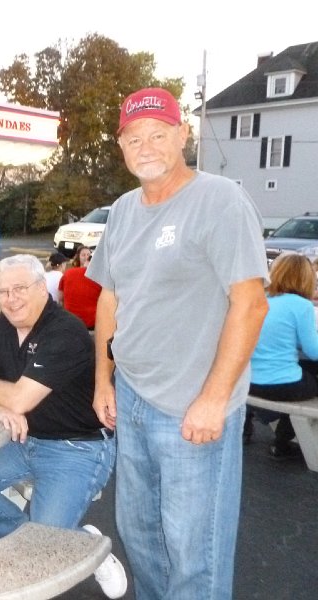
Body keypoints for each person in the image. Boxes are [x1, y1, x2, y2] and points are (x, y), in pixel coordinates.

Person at [87, 87, 269, 599]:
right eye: (134, 138)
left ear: (183, 135)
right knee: (142, 539)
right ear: (121, 147)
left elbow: (251, 304)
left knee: (194, 555)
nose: (145, 147)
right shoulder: (122, 211)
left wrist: (213, 399)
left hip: (193, 407)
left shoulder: (219, 200)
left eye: (158, 134)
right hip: (133, 399)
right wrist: (103, 380)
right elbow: (109, 299)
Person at [0, 254, 126, 599]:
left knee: (43, 545)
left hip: (77, 447)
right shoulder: (4, 326)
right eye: (3, 291)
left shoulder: (65, 331)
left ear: (43, 287)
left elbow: (8, 394)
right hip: (26, 439)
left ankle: (83, 548)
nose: (11, 299)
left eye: (20, 288)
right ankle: (70, 542)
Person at [247, 253, 318, 459]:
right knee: (309, 378)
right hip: (281, 386)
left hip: (251, 381)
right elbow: (314, 351)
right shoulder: (301, 305)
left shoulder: (261, 300)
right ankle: (282, 443)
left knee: (305, 371)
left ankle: (252, 429)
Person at [58, 245, 101, 329]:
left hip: (71, 321)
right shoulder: (99, 277)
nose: (86, 257)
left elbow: (60, 298)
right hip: (91, 322)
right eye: (83, 255)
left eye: (88, 255)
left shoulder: (68, 273)